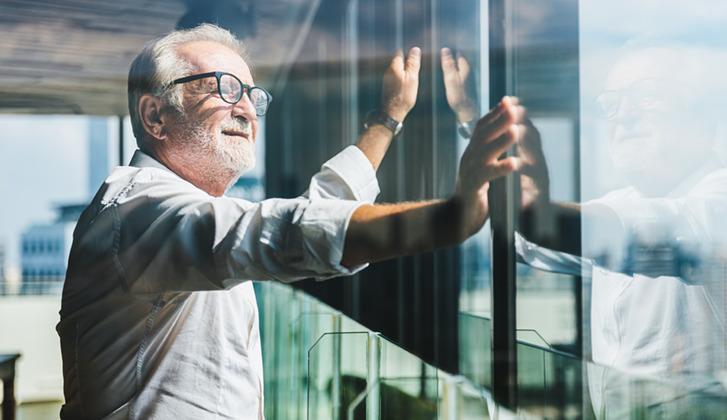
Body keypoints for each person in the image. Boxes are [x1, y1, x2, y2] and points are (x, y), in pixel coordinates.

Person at [57, 24, 521, 419]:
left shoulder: (183, 213)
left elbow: (314, 210)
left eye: (252, 95)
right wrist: (449, 216)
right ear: (154, 115)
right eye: (224, 87)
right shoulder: (136, 209)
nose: (245, 108)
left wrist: (387, 119)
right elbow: (289, 231)